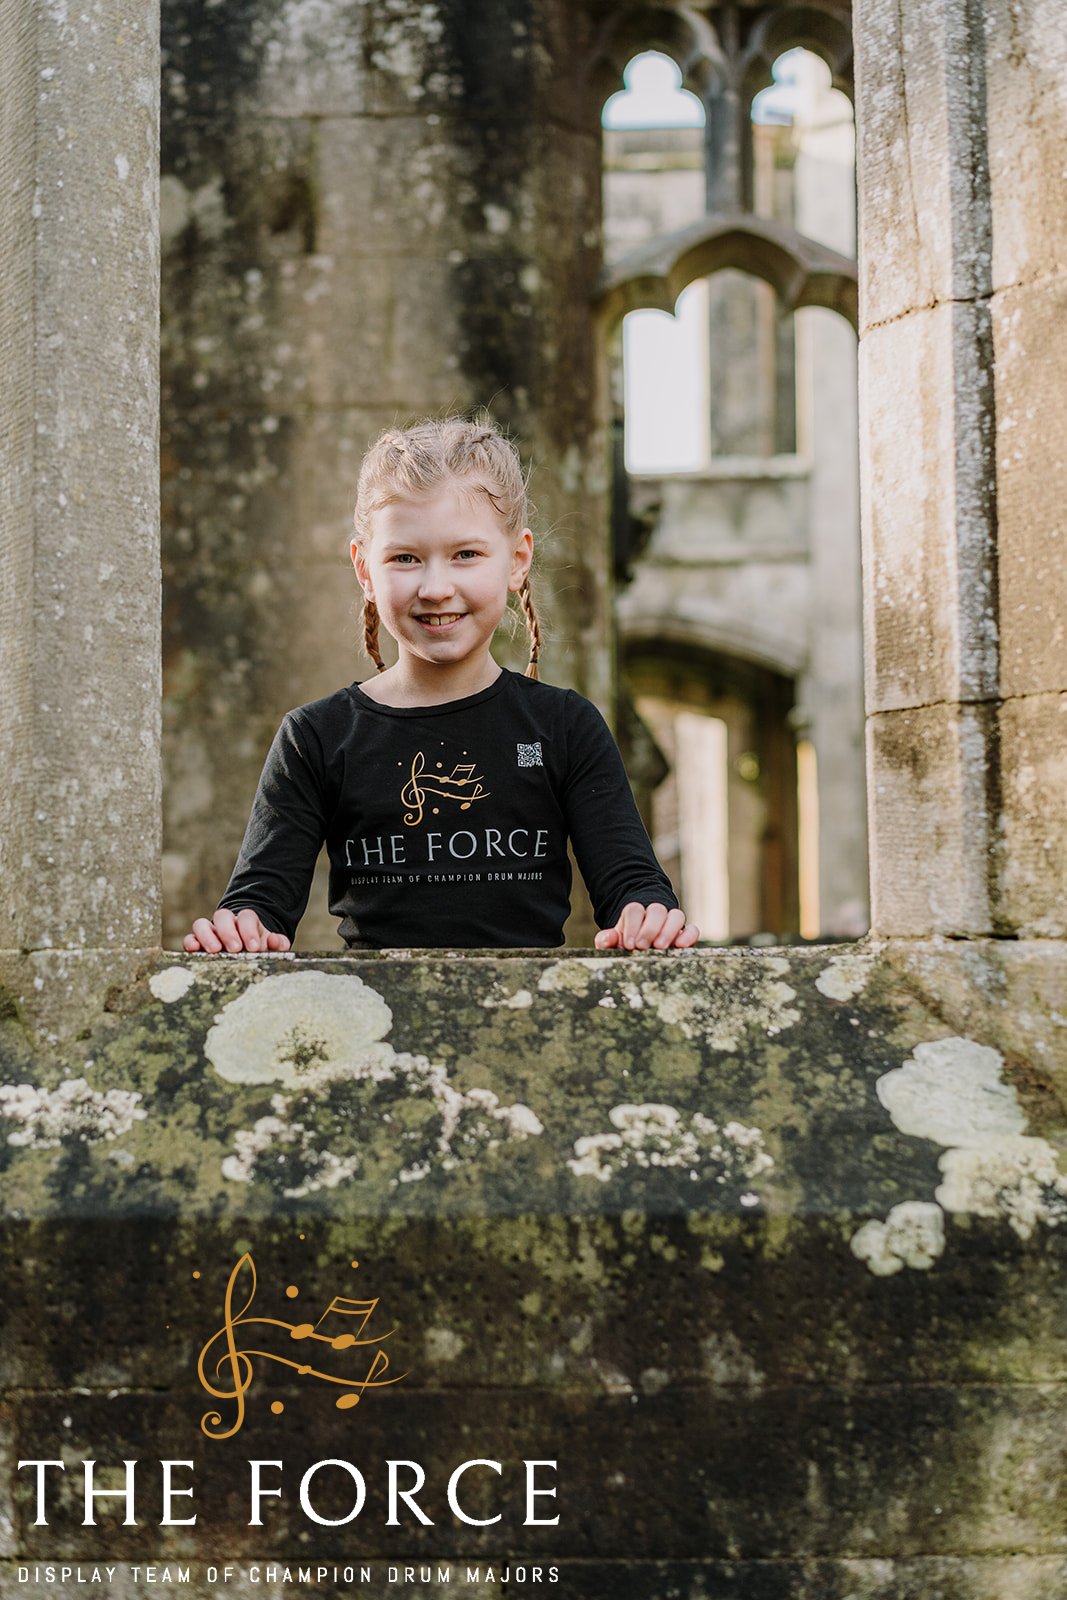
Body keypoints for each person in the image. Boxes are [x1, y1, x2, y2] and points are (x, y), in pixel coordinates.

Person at [184, 418, 699, 956]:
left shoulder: (565, 727)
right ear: (364, 569)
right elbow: (258, 902)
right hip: (372, 1009)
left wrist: (648, 916)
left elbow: (632, 885)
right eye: (405, 558)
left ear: (517, 561)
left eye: (465, 554)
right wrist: (240, 927)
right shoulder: (315, 737)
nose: (435, 588)